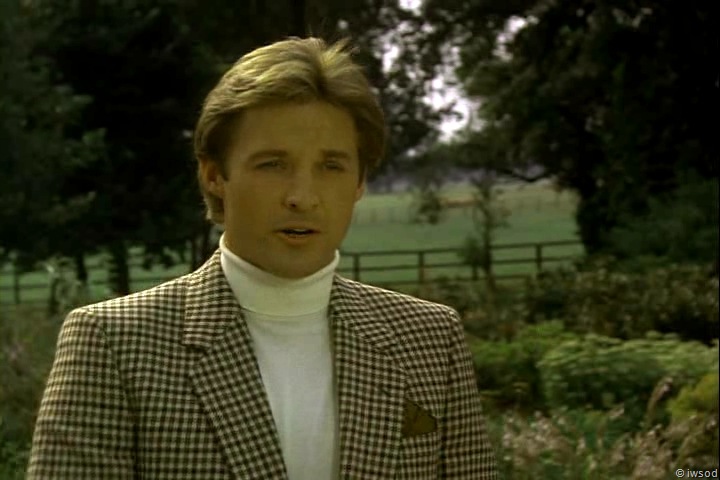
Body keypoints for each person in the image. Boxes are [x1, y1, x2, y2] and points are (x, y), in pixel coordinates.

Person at [28, 37, 498, 479]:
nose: (302, 197)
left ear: (359, 182)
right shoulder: (116, 343)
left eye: (331, 166)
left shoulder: (430, 338)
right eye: (273, 164)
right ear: (215, 175)